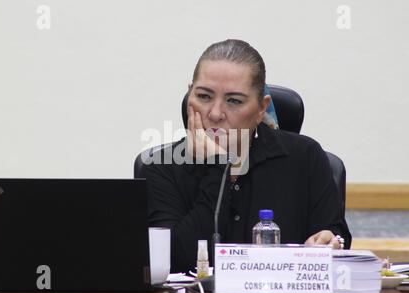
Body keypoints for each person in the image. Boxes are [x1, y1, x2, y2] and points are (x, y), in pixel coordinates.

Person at [145, 39, 351, 273]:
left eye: (234, 101)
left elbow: (336, 237)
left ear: (262, 108)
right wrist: (219, 168)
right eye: (203, 96)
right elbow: (175, 262)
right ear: (189, 95)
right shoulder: (161, 166)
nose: (214, 113)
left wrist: (331, 242)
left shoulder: (305, 158)